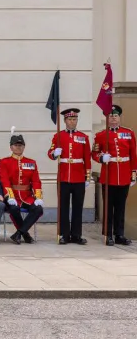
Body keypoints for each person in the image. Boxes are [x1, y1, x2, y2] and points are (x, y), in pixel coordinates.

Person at [92, 105, 136, 246]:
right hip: (108, 176)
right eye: (111, 116)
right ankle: (108, 234)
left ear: (119, 117)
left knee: (120, 207)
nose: (113, 118)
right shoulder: (100, 135)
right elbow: (94, 153)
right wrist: (101, 158)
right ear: (107, 118)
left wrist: (133, 174)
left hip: (123, 175)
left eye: (115, 116)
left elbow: (133, 155)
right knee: (108, 207)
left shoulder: (128, 133)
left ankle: (119, 234)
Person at [47, 108, 90, 245]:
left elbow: (87, 158)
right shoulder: (58, 136)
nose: (72, 122)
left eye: (75, 119)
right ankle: (64, 235)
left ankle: (76, 235)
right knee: (63, 207)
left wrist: (87, 177)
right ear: (65, 121)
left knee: (78, 207)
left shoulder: (83, 137)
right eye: (70, 119)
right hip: (64, 176)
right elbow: (50, 153)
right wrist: (55, 153)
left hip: (78, 177)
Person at [0, 130, 44, 245]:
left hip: (26, 196)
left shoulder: (31, 162)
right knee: (14, 209)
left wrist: (38, 197)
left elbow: (36, 181)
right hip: (12, 195)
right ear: (11, 147)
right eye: (16, 145)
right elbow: (4, 180)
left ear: (24, 147)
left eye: (21, 145)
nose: (18, 148)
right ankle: (26, 235)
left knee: (38, 209)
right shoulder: (4, 162)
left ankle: (19, 233)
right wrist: (9, 196)